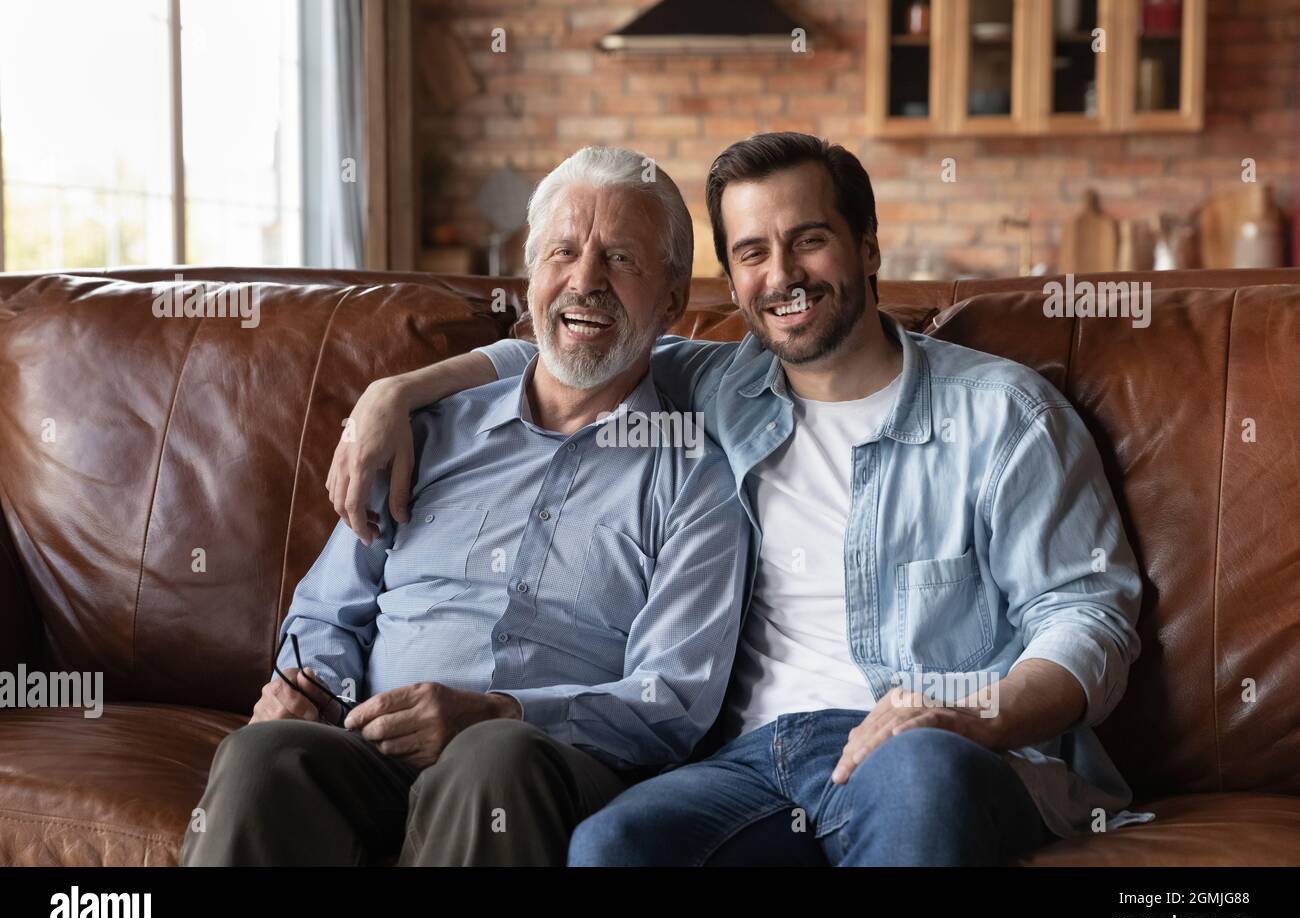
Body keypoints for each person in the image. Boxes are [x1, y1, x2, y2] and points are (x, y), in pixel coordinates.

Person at [327, 132, 1145, 866]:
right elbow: (565, 344)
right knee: (613, 843)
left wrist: (967, 714)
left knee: (921, 776)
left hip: (950, 753)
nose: (782, 275)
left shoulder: (1003, 415)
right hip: (751, 763)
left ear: (867, 248)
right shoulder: (721, 381)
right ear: (729, 278)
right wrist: (395, 393)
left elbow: (1088, 620)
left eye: (809, 241)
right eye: (752, 252)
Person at [181, 146, 749, 866]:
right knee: (267, 756)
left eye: (621, 260)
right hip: (372, 743)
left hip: (546, 763)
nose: (585, 281)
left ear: (671, 298)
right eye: (563, 252)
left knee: (494, 759)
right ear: (530, 274)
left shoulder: (698, 479)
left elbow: (670, 700)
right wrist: (313, 687)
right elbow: (329, 612)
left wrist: (498, 712)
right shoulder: (426, 433)